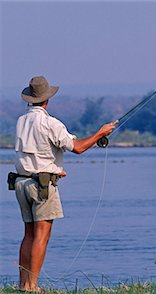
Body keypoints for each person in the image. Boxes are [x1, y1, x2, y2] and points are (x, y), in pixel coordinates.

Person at [13, 76, 117, 292]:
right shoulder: (51, 123)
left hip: (22, 183)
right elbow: (77, 147)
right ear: (47, 100)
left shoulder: (21, 121)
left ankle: (24, 284)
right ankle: (33, 286)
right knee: (41, 235)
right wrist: (101, 132)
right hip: (41, 186)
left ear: (30, 99)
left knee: (28, 234)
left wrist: (55, 169)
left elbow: (36, 153)